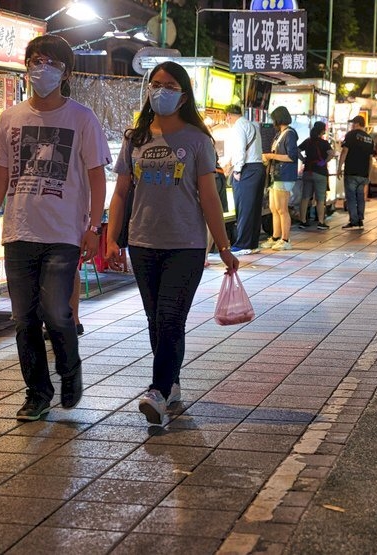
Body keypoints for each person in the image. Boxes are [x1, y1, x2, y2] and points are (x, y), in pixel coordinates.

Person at [0, 35, 111, 422]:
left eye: (49, 61)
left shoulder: (82, 118)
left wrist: (95, 225)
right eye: (34, 59)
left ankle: (69, 370)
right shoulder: (11, 118)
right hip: (19, 233)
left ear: (65, 71)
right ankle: (37, 393)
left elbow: (97, 176)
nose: (39, 67)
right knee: (24, 319)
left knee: (57, 312)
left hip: (64, 233)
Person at [105, 61, 239, 426]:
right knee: (157, 320)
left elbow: (209, 197)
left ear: (182, 96)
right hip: (143, 242)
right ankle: (172, 383)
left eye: (169, 85)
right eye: (156, 84)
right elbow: (120, 193)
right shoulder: (135, 139)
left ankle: (158, 390)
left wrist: (224, 246)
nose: (161, 91)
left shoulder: (198, 141)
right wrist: (112, 238)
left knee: (169, 316)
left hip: (186, 244)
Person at [225, 104, 265, 255]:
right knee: (254, 209)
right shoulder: (252, 125)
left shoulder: (238, 126)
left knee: (244, 208)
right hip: (258, 168)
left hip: (247, 169)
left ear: (228, 115)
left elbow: (240, 149)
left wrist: (237, 169)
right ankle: (252, 243)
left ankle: (242, 244)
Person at [260, 106, 299, 250]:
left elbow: (291, 156)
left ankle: (285, 239)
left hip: (284, 175)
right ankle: (276, 237)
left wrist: (271, 156)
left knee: (282, 209)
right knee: (274, 208)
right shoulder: (280, 134)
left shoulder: (289, 134)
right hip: (275, 175)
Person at [337, 115, 374, 229]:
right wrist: (369, 174)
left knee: (351, 197)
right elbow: (370, 158)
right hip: (363, 173)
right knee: (360, 197)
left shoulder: (351, 135)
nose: (352, 125)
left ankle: (353, 220)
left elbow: (344, 151)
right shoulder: (369, 139)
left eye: (353, 123)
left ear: (357, 124)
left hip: (351, 172)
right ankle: (360, 219)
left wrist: (339, 167)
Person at [298, 121, 334, 230]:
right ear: (322, 131)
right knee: (320, 199)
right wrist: (324, 161)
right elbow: (331, 154)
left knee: (305, 197)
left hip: (307, 171)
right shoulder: (324, 143)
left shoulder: (308, 141)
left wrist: (303, 159)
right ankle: (321, 222)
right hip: (320, 173)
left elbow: (297, 150)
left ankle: (303, 221)